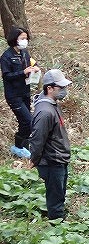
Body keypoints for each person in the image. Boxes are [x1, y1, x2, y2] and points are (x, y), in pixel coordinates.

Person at [28, 69, 72, 220]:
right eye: (61, 88)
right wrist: (35, 158)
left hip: (59, 158)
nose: (64, 91)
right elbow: (37, 139)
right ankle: (56, 225)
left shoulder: (53, 105)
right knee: (55, 197)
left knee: (59, 193)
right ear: (49, 88)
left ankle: (58, 220)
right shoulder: (45, 111)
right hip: (52, 160)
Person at [1, 26, 41, 159]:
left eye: (26, 38)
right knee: (28, 121)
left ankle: (23, 146)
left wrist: (33, 69)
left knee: (25, 122)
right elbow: (7, 76)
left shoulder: (25, 53)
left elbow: (30, 65)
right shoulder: (6, 56)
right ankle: (18, 146)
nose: (25, 41)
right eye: (22, 38)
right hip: (13, 95)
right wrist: (23, 72)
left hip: (25, 92)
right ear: (15, 39)